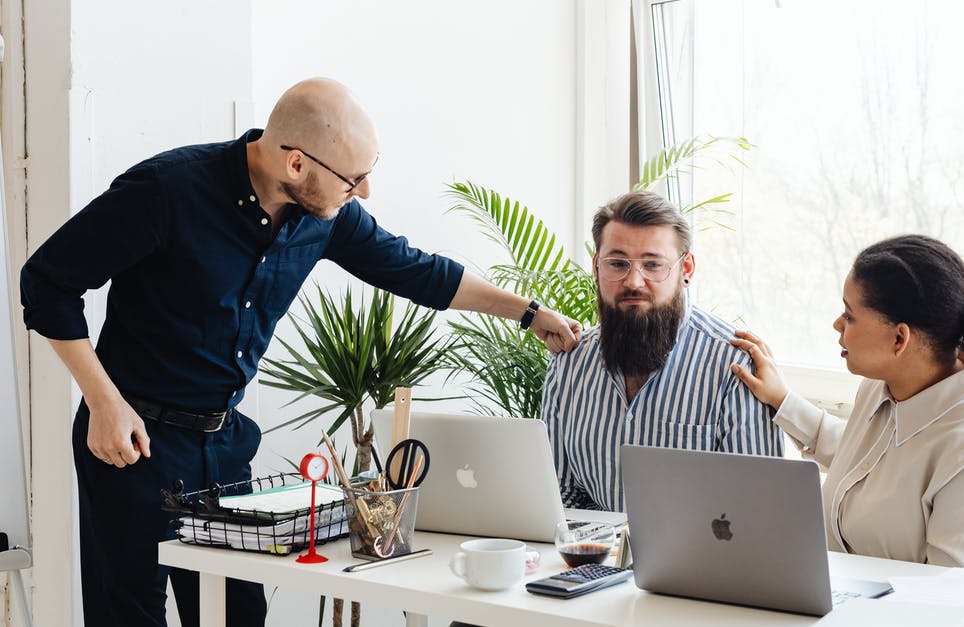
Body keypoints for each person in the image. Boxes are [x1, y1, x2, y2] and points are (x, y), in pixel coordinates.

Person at [19, 77, 582, 627]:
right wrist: (102, 401)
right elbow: (47, 282)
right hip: (132, 440)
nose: (363, 192)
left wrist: (528, 313)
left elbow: (417, 271)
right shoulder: (166, 191)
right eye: (354, 178)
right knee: (128, 612)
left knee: (238, 613)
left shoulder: (323, 217)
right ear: (296, 164)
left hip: (225, 444)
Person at [729, 234, 964, 581]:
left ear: (900, 338)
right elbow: (868, 462)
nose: (837, 325)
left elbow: (955, 609)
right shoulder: (884, 388)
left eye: (849, 316)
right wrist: (782, 400)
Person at [541, 190, 781, 513]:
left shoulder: (734, 366)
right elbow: (560, 499)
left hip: (702, 562)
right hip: (595, 559)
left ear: (687, 270)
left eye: (653, 264)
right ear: (597, 267)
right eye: (618, 264)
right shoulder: (567, 365)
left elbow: (759, 510)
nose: (634, 282)